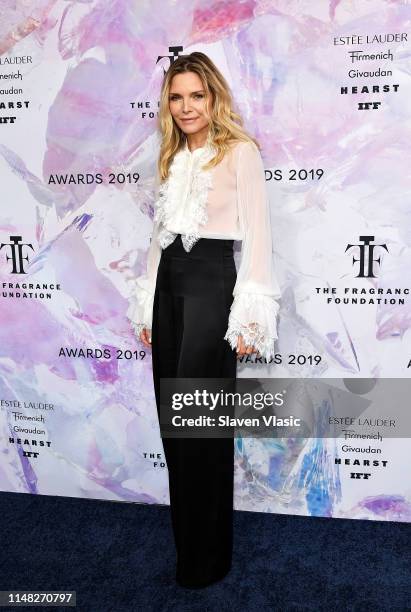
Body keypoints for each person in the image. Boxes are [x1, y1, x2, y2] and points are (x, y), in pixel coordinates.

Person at [127, 52, 281, 588]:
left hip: (213, 289)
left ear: (213, 98)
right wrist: (148, 302)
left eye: (197, 95)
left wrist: (250, 315)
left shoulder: (240, 153)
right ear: (167, 104)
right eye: (176, 96)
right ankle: (188, 550)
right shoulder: (170, 155)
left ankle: (210, 557)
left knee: (201, 430)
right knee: (177, 429)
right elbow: (158, 238)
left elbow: (259, 236)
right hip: (169, 288)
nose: (187, 106)